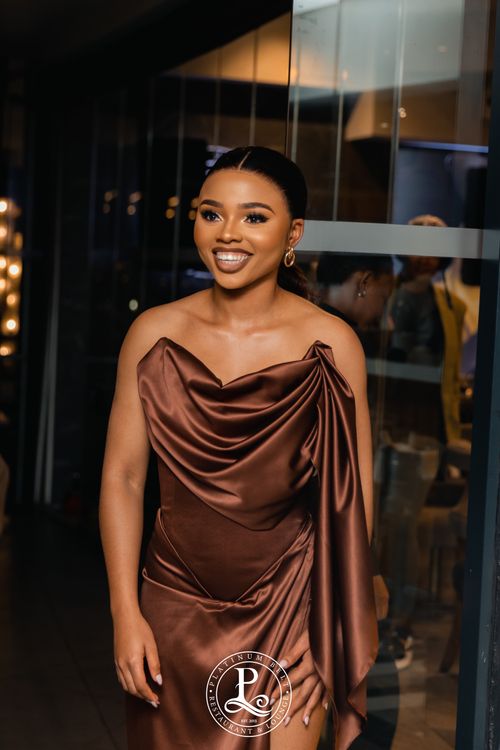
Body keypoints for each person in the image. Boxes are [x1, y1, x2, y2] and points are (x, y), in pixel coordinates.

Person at [99, 146, 378, 750]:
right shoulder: (153, 334)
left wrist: (329, 625)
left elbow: (352, 501)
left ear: (293, 233)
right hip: (172, 602)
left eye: (254, 216)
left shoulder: (330, 346)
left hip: (292, 604)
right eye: (211, 213)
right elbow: (123, 478)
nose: (228, 233)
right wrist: (125, 612)